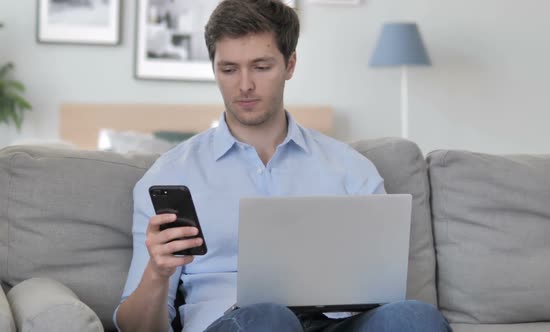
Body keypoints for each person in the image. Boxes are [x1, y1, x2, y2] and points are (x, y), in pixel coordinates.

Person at [114, 0, 452, 331]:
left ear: (290, 65)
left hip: (337, 324)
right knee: (269, 318)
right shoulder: (171, 174)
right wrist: (157, 274)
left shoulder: (351, 170)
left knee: (416, 318)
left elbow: (384, 293)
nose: (244, 85)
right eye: (229, 69)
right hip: (240, 323)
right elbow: (135, 328)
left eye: (261, 67)